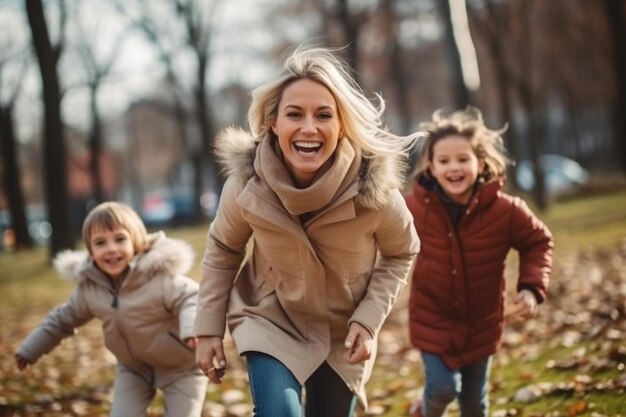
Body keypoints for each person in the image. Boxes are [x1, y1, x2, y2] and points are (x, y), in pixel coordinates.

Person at [194, 45, 421, 417]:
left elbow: (402, 251)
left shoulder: (374, 190)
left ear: (341, 125)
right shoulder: (247, 184)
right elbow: (223, 250)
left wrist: (368, 319)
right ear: (273, 122)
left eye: (324, 115)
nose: (309, 128)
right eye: (294, 114)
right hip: (271, 319)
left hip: (342, 331)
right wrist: (207, 330)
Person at [404, 107, 553, 417]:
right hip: (433, 318)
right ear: (431, 166)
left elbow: (538, 241)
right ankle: (423, 412)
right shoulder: (413, 208)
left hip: (482, 323)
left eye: (463, 159)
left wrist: (530, 287)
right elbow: (381, 236)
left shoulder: (506, 210)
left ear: (480, 162)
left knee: (474, 403)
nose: (453, 168)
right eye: (443, 161)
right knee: (442, 388)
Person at [15, 201, 207, 417]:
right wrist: (29, 349)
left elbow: (191, 297)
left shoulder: (158, 277)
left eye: (120, 239)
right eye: (100, 243)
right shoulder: (90, 288)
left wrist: (192, 330)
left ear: (137, 242)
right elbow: (62, 319)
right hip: (133, 370)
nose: (111, 249)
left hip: (181, 368)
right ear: (90, 251)